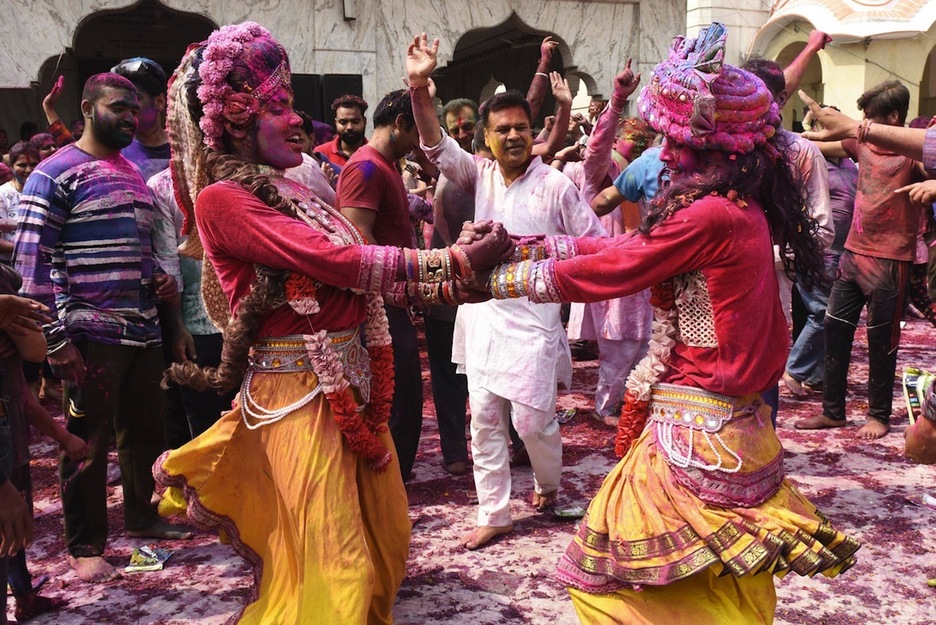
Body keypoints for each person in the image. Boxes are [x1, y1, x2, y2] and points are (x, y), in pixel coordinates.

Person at [460, 23, 859, 622]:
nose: (664, 154)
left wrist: (489, 279)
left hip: (701, 423)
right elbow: (625, 250)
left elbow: (624, 263)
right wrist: (523, 246)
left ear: (717, 149)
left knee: (613, 580)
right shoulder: (734, 205)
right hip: (723, 419)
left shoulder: (711, 216)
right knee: (718, 573)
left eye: (676, 143)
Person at [153, 22, 509, 623]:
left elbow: (355, 277)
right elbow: (335, 259)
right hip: (295, 396)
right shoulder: (223, 200)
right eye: (280, 107)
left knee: (387, 537)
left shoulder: (295, 190)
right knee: (336, 557)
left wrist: (453, 285)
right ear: (239, 120)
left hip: (354, 381)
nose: (298, 121)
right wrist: (443, 260)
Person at [407, 34, 606, 550]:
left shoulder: (557, 184)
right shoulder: (479, 177)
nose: (513, 136)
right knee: (485, 420)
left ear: (533, 132)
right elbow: (435, 146)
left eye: (521, 127)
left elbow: (595, 244)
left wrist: (548, 254)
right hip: (484, 320)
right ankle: (493, 512)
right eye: (502, 130)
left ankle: (548, 486)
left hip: (536, 322)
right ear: (488, 140)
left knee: (535, 421)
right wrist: (419, 87)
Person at [13, 71, 190, 584]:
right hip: (88, 334)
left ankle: (142, 516)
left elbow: (139, 248)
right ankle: (85, 545)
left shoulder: (129, 172)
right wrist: (55, 340)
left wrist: (157, 282)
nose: (131, 118)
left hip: (141, 330)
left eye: (135, 110)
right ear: (88, 108)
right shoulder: (54, 173)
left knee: (144, 432)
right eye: (119, 107)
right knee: (86, 441)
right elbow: (32, 266)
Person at [796, 80, 926, 439]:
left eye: (871, 118)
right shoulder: (862, 142)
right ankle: (833, 412)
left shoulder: (914, 156)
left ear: (893, 117)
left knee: (881, 342)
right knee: (834, 331)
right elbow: (820, 142)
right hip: (852, 256)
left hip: (890, 262)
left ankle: (879, 416)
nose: (864, 124)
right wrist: (783, 136)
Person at [337, 89, 425, 483]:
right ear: (401, 124)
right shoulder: (365, 168)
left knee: (404, 393)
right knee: (394, 395)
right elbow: (357, 239)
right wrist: (392, 289)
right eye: (419, 131)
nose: (422, 141)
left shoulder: (387, 164)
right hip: (378, 303)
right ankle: (387, 483)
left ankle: (393, 482)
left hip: (393, 298)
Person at [0, 142, 39, 264]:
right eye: (22, 165)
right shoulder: (2, 194)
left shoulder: (47, 191)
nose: (28, 170)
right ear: (11, 166)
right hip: (11, 266)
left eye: (33, 164)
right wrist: (30, 248)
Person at [313, 94, 368, 168]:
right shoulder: (320, 154)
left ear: (364, 121)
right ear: (336, 123)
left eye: (355, 121)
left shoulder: (375, 153)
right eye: (343, 122)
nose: (349, 127)